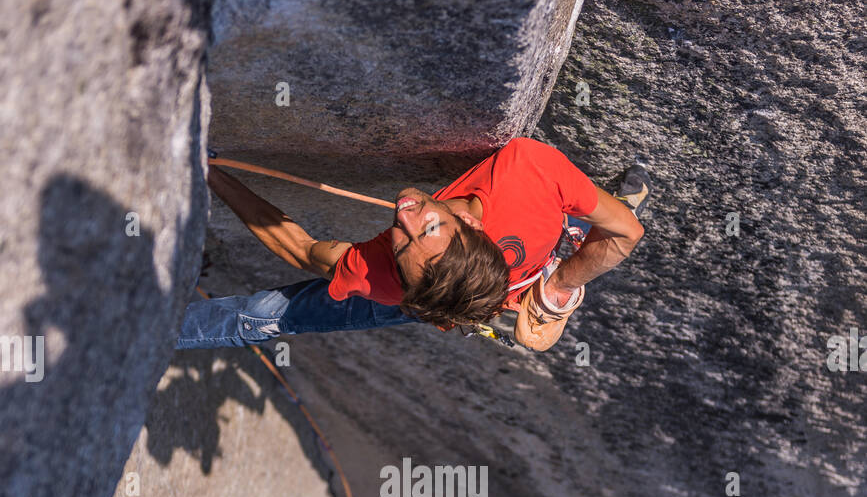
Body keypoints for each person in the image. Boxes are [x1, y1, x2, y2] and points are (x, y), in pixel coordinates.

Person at [177, 137, 645, 355]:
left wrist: (212, 175)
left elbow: (297, 246)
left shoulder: (383, 275)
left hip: (420, 301)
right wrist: (559, 282)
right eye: (425, 229)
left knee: (268, 313)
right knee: (593, 220)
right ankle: (531, 288)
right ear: (464, 220)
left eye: (409, 240)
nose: (404, 214)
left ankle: (152, 333)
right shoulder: (530, 173)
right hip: (481, 278)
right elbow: (627, 232)